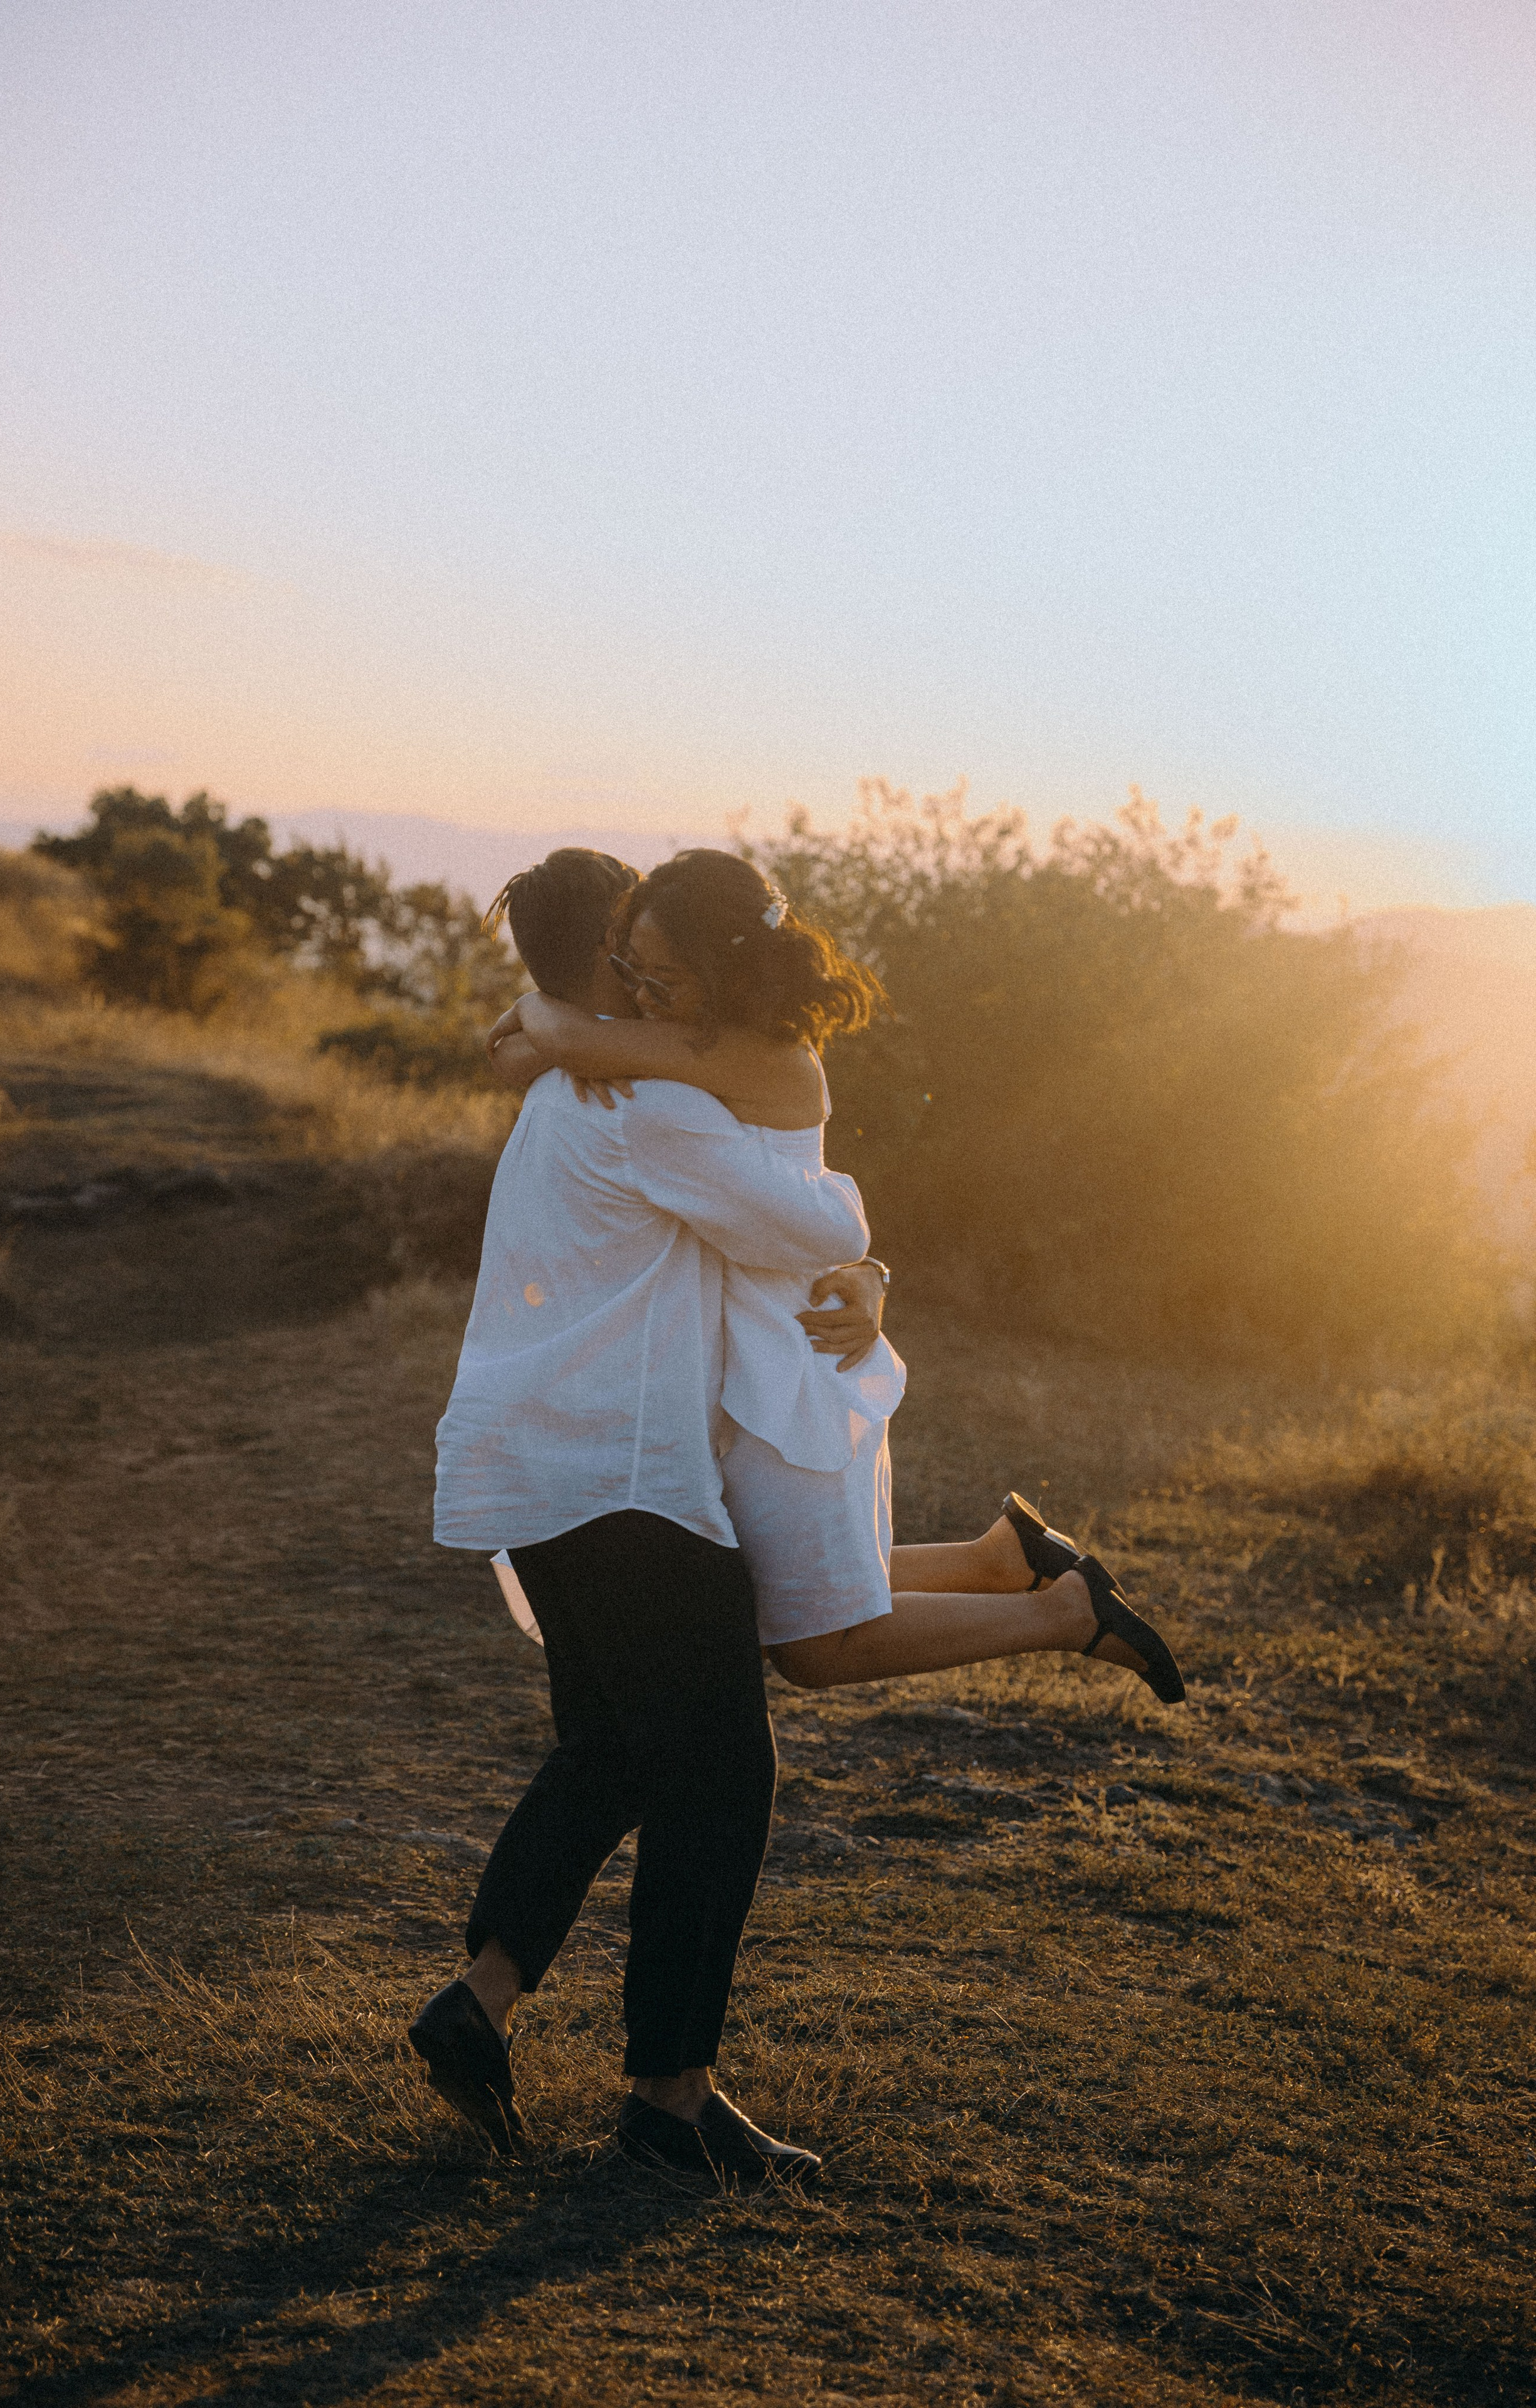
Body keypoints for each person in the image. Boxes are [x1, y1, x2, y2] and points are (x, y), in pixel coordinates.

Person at [416, 850, 886, 2187]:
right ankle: (667, 2103)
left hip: (534, 1468)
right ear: (616, 964)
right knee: (724, 1775)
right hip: (617, 1478)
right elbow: (800, 1224)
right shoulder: (645, 1107)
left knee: (614, 1751)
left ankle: (479, 2004)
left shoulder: (577, 1088)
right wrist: (867, 1256)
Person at [488, 847, 1186, 1702]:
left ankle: (1067, 1614)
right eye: (635, 967)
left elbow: (557, 1046)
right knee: (773, 1591)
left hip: (793, 1354)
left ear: (719, 967)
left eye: (662, 972)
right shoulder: (679, 1045)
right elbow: (549, 1051)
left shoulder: (730, 1057)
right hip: (750, 1353)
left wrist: (542, 1015)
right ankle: (996, 1560)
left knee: (816, 1643)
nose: (643, 990)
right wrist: (546, 1027)